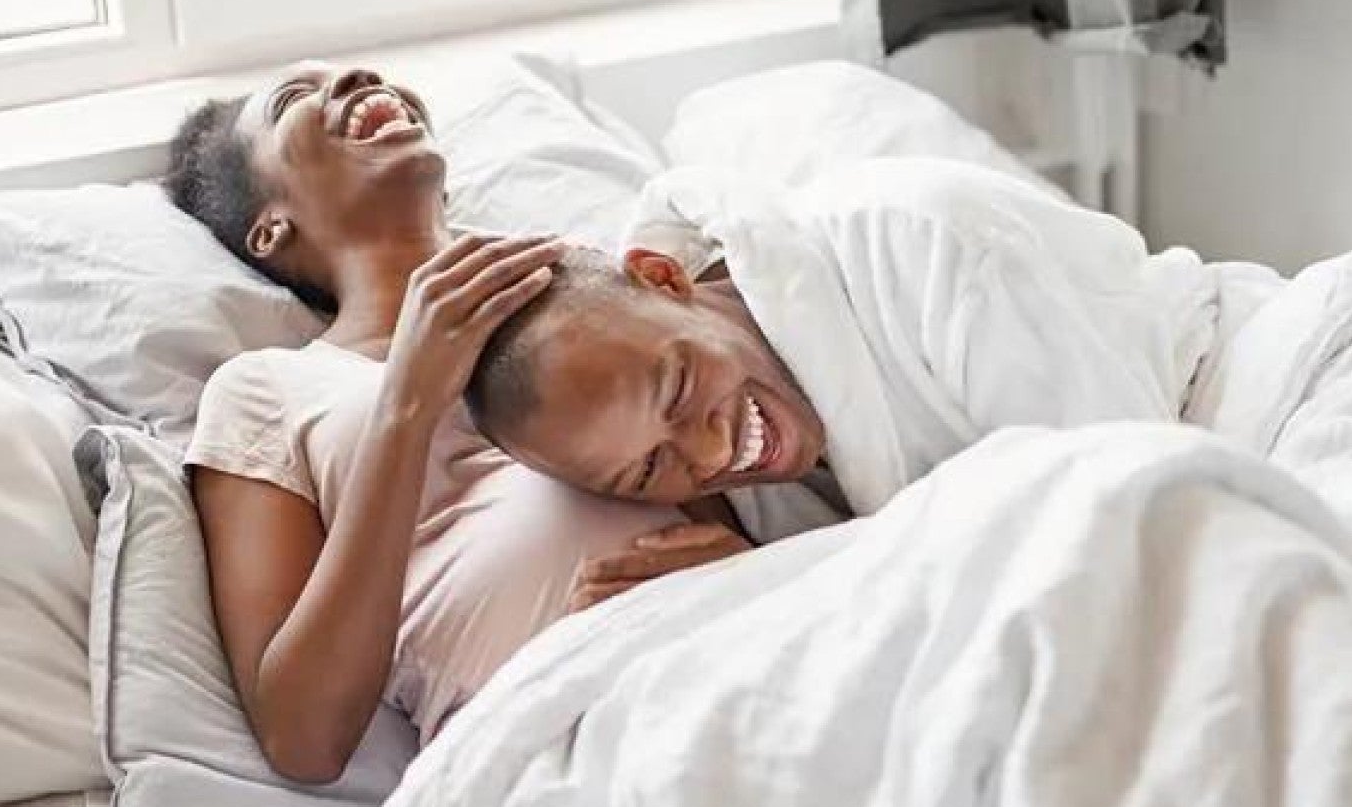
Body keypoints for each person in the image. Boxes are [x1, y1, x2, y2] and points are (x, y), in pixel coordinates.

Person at [165, 62, 747, 784]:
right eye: (293, 100)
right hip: (561, 750)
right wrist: (405, 406)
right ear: (270, 228)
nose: (353, 75)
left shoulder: (579, 274)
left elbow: (716, 466)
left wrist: (737, 566)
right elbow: (304, 739)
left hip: (733, 646)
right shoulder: (266, 390)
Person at [464, 158, 1216, 542]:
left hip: (1219, 390)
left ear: (663, 278)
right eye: (649, 467)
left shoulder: (923, 245)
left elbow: (1116, 511)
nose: (712, 448)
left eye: (679, 390)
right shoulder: (722, 493)